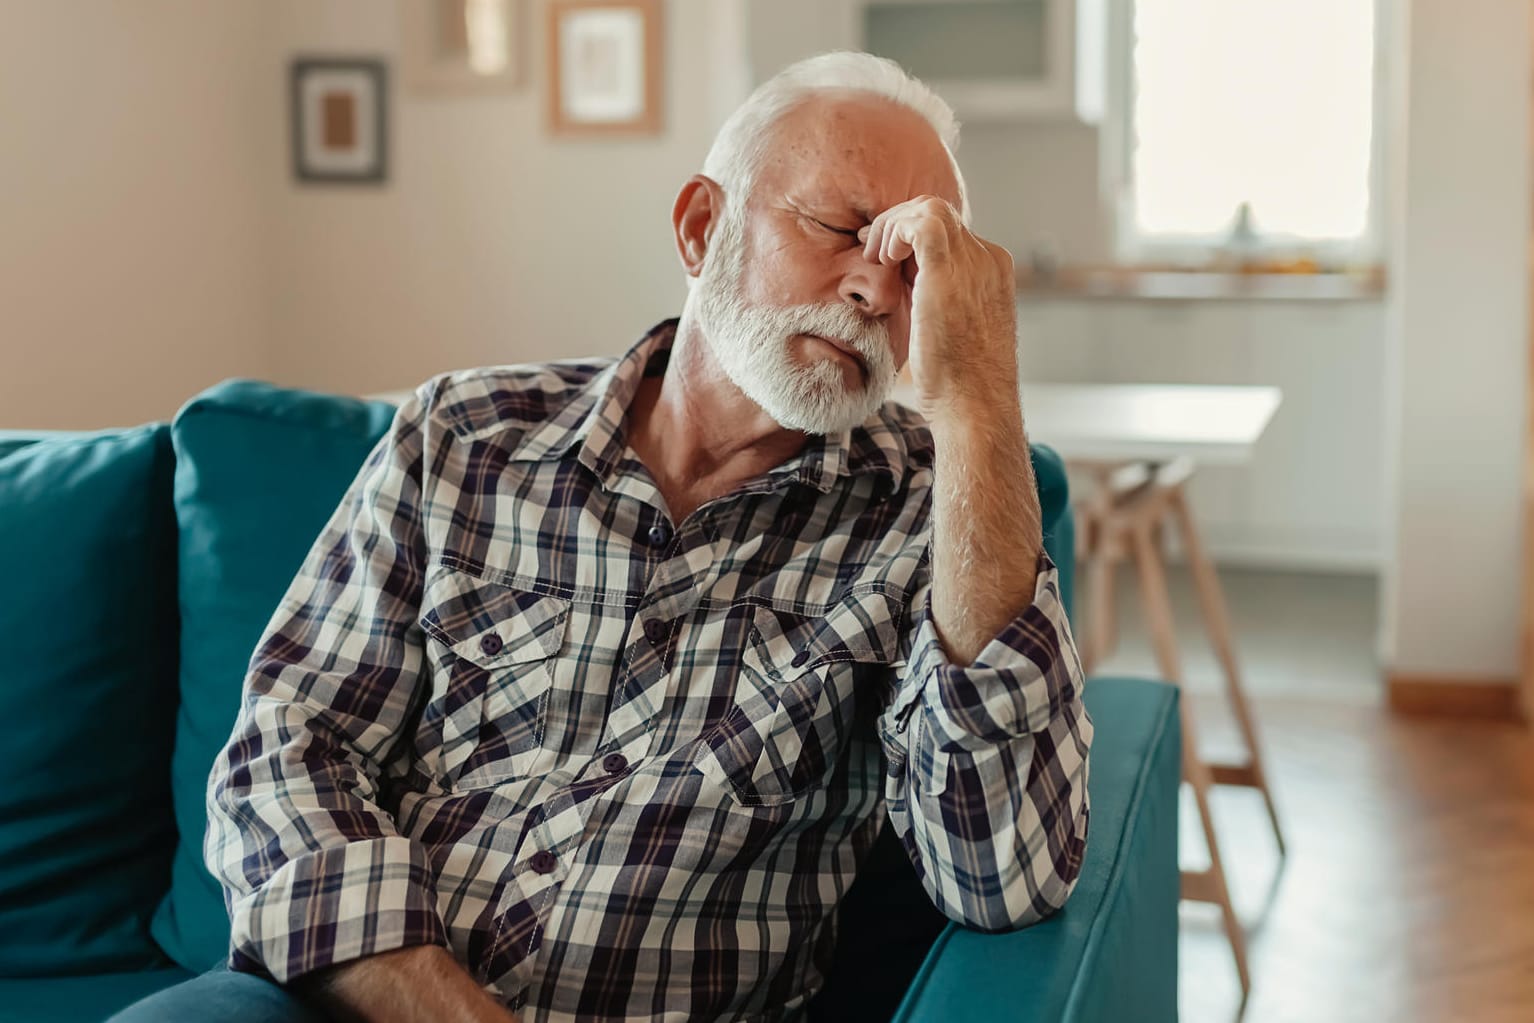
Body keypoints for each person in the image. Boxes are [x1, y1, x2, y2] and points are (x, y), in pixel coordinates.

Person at [110, 50, 1091, 1023]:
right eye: (841, 229)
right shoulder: (464, 433)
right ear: (702, 228)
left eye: (916, 270)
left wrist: (979, 401)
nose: (875, 292)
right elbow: (288, 751)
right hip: (352, 1003)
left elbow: (1005, 876)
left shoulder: (924, 518)